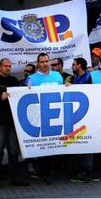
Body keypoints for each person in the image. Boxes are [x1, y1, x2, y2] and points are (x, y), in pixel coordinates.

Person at [0, 58, 29, 190]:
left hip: (13, 122)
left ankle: (15, 178)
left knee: (14, 152)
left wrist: (28, 90)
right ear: (0, 67)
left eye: (9, 66)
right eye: (6, 66)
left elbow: (21, 96)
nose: (8, 68)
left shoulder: (14, 81)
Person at [28, 53, 63, 185]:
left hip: (58, 115)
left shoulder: (57, 75)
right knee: (45, 146)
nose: (44, 64)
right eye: (41, 62)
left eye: (46, 61)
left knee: (59, 143)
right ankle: (45, 173)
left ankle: (59, 171)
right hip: (42, 117)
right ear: (38, 64)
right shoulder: (32, 79)